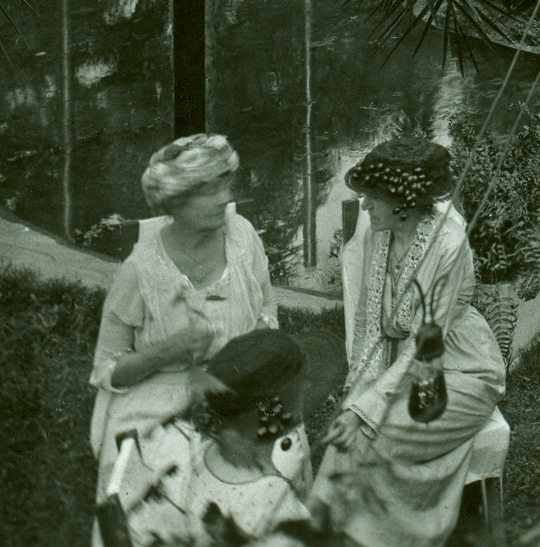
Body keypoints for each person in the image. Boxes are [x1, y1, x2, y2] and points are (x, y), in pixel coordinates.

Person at [314, 138, 505, 547]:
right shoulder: (377, 235)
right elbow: (368, 321)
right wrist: (355, 394)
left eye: (373, 198)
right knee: (352, 437)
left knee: (368, 439)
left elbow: (423, 348)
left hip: (459, 373)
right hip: (400, 371)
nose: (364, 206)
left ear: (403, 200)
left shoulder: (449, 244)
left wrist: (364, 410)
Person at [91, 135, 279, 462]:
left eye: (225, 186)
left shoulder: (243, 238)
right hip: (161, 409)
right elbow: (108, 371)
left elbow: (266, 305)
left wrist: (258, 349)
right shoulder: (141, 272)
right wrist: (168, 350)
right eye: (210, 191)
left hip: (238, 393)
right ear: (176, 200)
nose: (225, 199)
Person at [97, 328, 317, 547]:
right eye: (302, 386)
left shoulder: (176, 451)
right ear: (275, 410)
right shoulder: (279, 508)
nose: (308, 388)